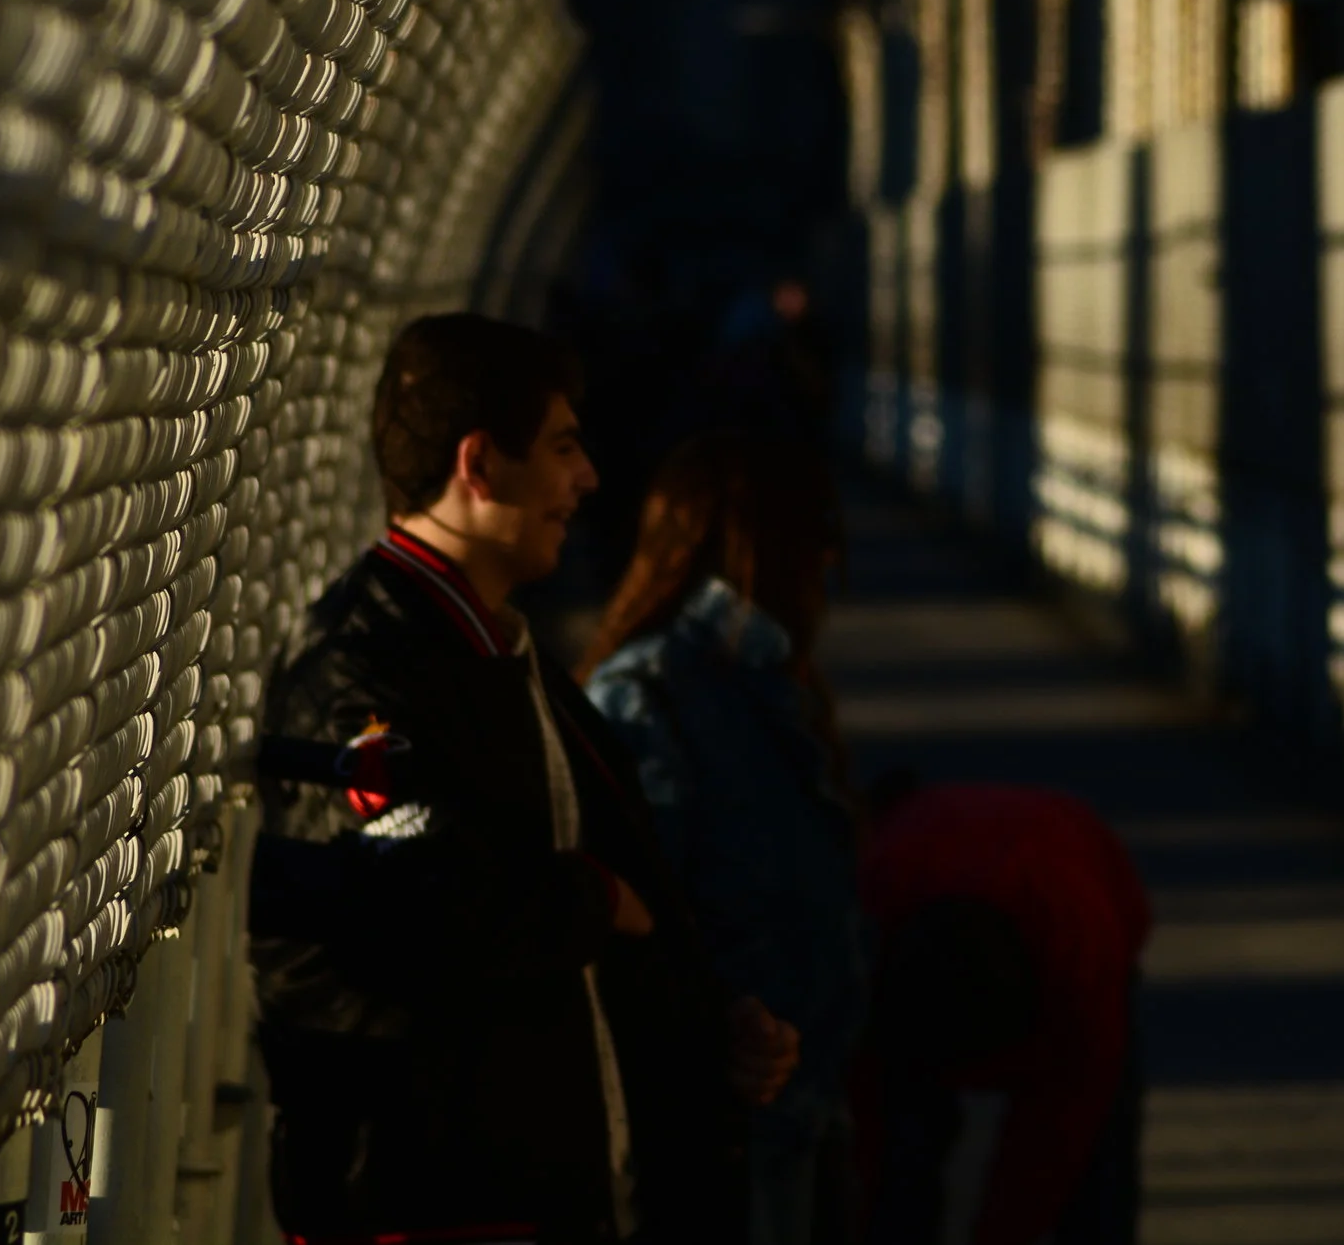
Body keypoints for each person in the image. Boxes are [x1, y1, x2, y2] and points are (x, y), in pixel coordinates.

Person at [248, 314, 799, 1245]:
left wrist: (712, 1023)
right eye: (563, 446)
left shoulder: (492, 642)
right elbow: (404, 895)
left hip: (523, 1198)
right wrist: (593, 897)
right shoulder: (360, 667)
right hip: (425, 1206)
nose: (587, 479)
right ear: (480, 464)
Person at [577, 432, 864, 1245]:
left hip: (793, 1115)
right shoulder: (651, 698)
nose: (824, 569)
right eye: (812, 545)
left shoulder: (764, 684)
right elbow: (644, 926)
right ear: (751, 546)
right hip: (722, 1133)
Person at [857, 781, 1150, 1245]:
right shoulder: (876, 898)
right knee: (901, 1143)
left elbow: (1052, 1140)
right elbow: (865, 1104)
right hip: (942, 860)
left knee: (1097, 1161)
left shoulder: (1083, 962)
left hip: (1082, 869)